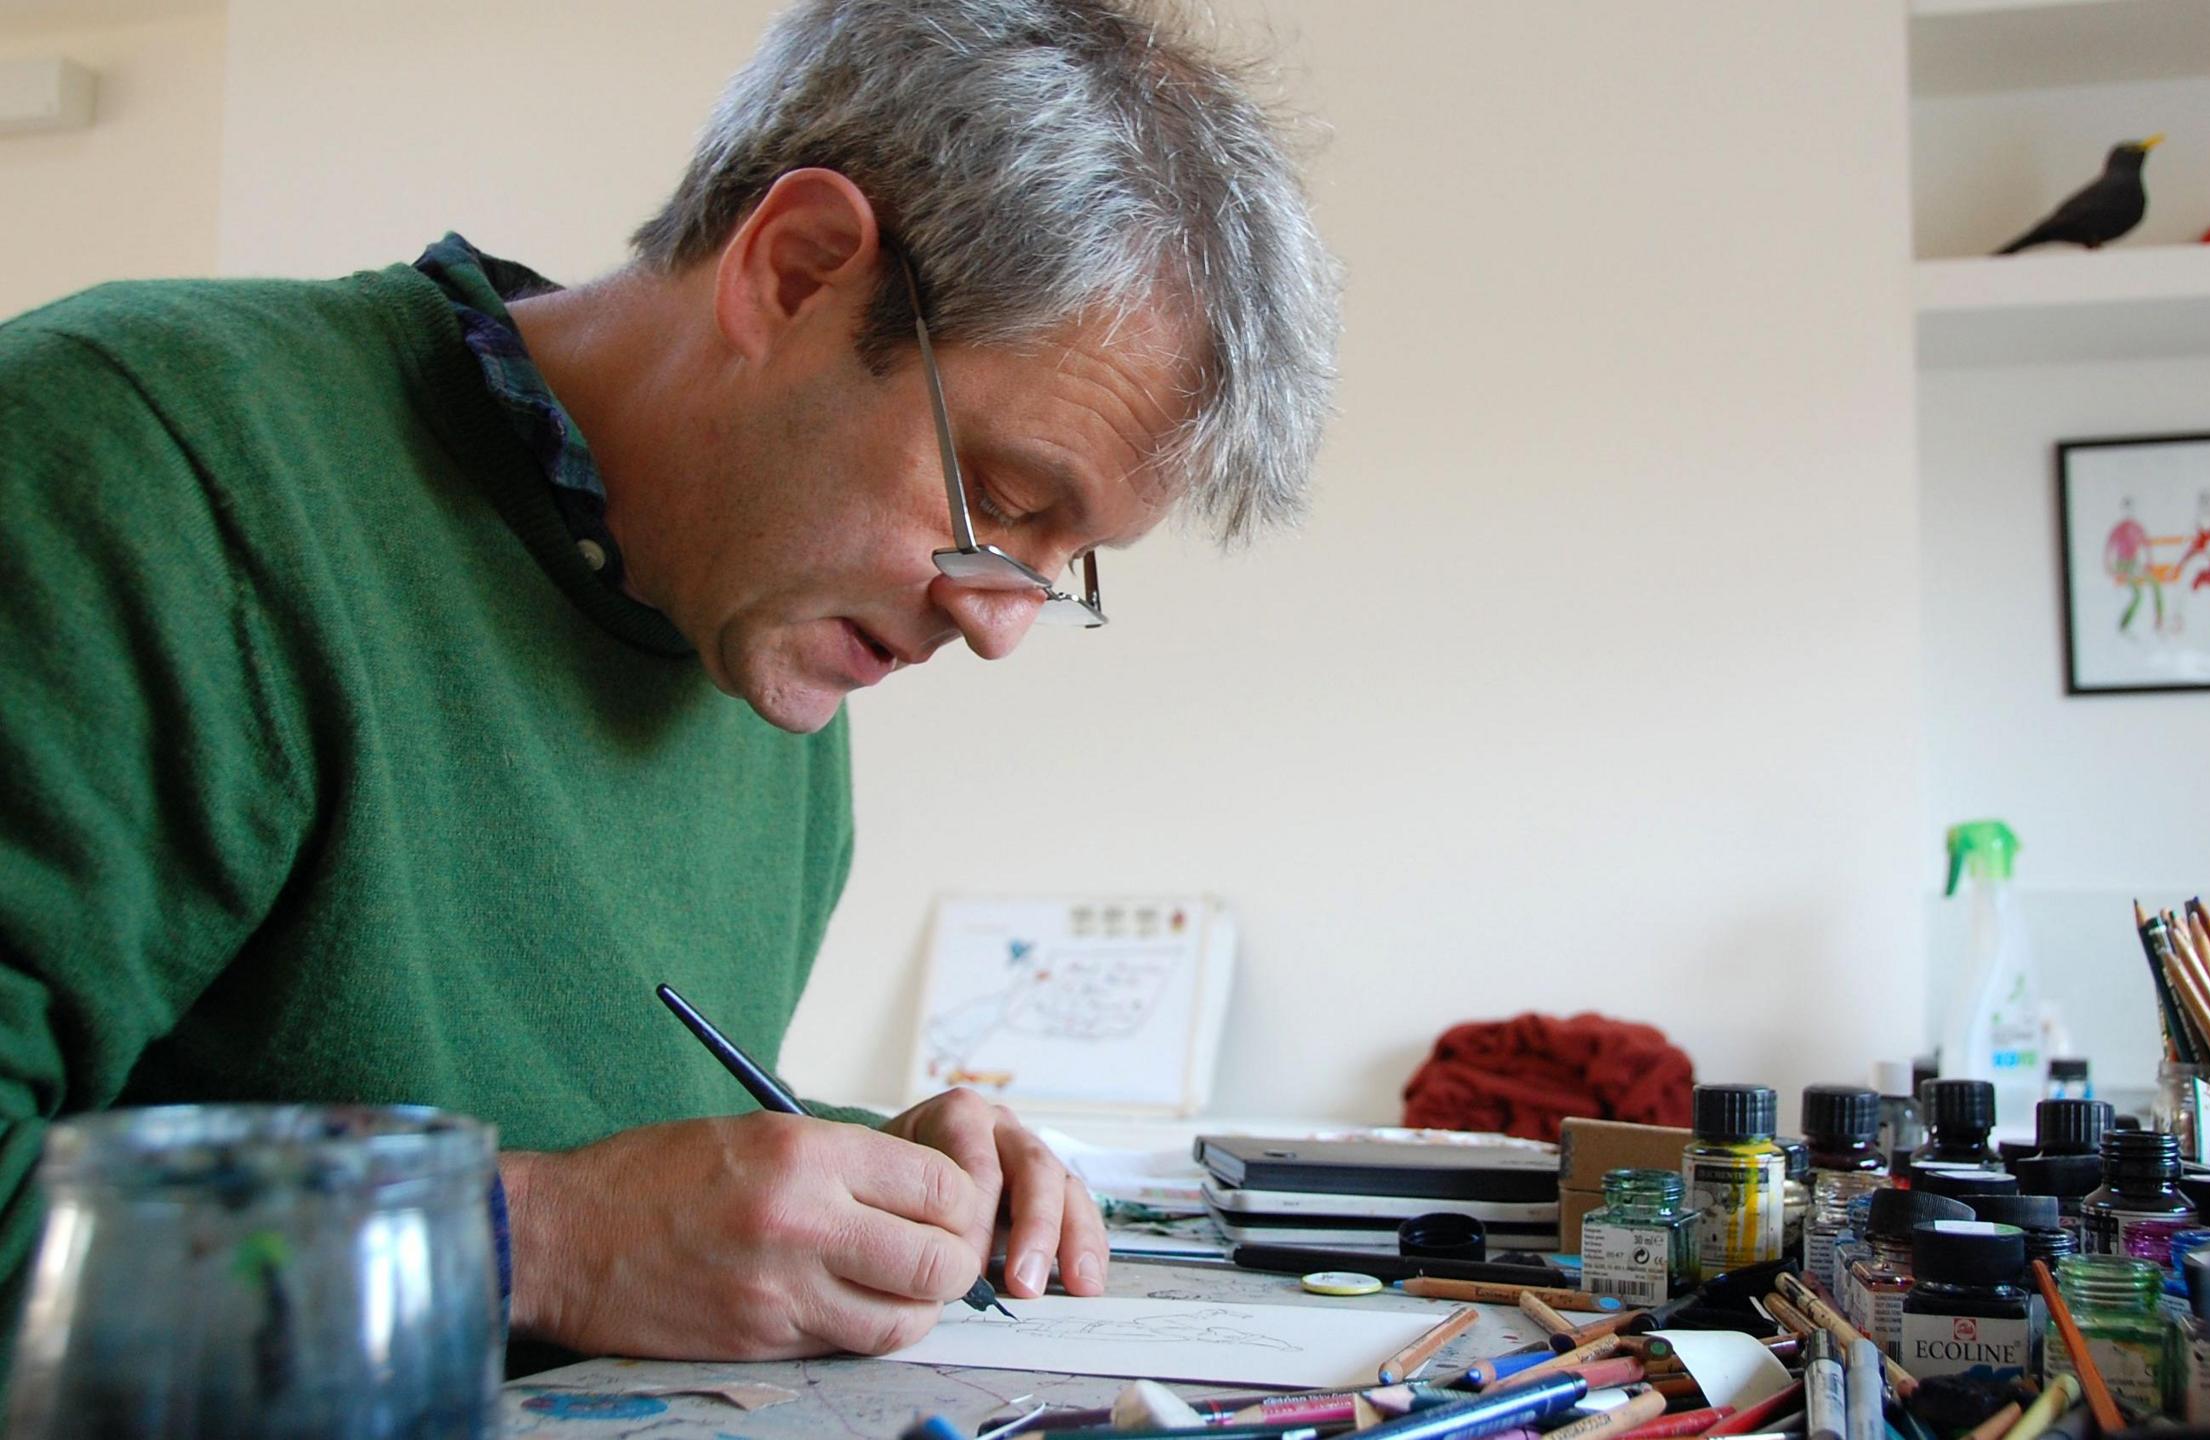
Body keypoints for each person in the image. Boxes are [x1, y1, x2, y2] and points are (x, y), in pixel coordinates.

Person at [0, 0, 1338, 1366]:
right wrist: (542, 1241)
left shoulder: (767, 656)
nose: (996, 627)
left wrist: (862, 1179)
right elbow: (571, 1226)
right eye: (994, 499)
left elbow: (548, 1113)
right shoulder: (135, 468)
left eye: (1063, 569)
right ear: (796, 270)